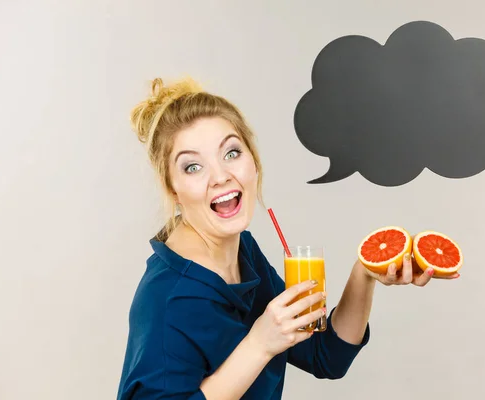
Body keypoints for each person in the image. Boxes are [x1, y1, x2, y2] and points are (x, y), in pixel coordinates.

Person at [116, 77, 459, 400]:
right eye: (193, 166)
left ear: (254, 161)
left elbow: (326, 356)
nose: (221, 176)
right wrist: (259, 344)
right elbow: (266, 342)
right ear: (173, 190)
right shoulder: (168, 300)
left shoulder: (244, 254)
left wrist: (364, 272)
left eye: (231, 152)